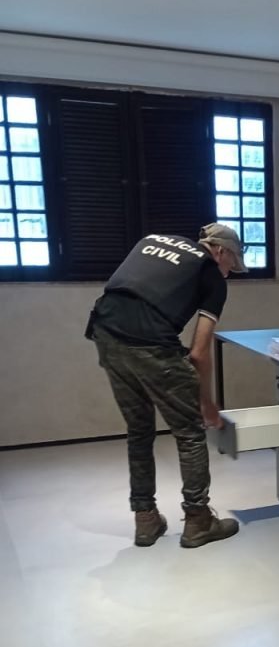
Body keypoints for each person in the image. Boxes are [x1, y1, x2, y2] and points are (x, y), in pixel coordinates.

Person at [86, 223, 245, 548]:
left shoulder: (153, 240)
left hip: (105, 333)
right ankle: (198, 521)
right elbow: (199, 353)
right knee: (190, 434)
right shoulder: (211, 274)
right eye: (232, 264)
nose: (230, 272)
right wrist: (207, 404)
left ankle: (145, 520)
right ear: (221, 251)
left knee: (139, 430)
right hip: (151, 344)